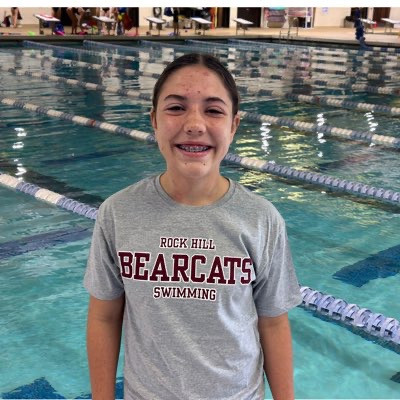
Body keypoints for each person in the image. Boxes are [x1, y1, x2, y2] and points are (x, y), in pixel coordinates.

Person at [84, 52, 302, 400]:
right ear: (154, 121)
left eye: (214, 110)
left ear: (234, 125)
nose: (195, 124)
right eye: (176, 107)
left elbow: (273, 322)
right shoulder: (118, 213)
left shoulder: (261, 218)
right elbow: (104, 318)